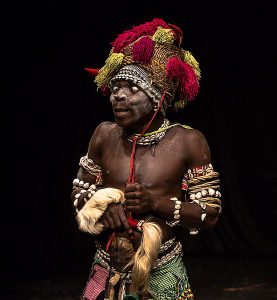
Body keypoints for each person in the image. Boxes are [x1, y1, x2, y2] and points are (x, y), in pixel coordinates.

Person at [71, 18, 222, 300]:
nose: (118, 96)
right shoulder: (104, 134)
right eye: (115, 88)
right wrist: (100, 206)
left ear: (159, 98)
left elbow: (208, 213)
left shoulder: (187, 141)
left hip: (162, 271)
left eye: (132, 88)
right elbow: (80, 191)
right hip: (105, 270)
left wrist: (154, 203)